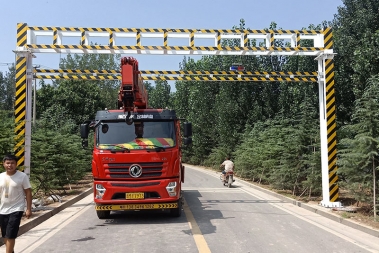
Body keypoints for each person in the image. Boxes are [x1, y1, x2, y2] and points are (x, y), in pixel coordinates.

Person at [0, 154, 32, 253]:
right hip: (2, 209)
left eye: (12, 163)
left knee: (10, 234)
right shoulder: (0, 176)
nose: (10, 165)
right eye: (7, 163)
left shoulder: (22, 176)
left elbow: (28, 192)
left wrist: (28, 209)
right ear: (3, 164)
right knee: (5, 235)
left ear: (16, 164)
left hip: (16, 208)